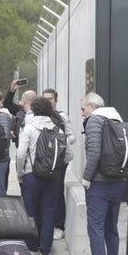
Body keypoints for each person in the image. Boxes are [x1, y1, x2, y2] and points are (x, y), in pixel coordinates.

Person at [79, 92, 127, 255]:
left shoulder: (95, 121)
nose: (82, 114)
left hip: (99, 183)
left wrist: (86, 178)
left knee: (95, 228)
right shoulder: (117, 119)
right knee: (111, 228)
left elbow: (94, 153)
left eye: (83, 109)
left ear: (92, 106)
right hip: (118, 181)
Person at [16, 96, 68, 255]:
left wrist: (20, 172)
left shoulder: (29, 128)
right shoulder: (58, 130)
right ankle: (46, 250)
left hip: (32, 175)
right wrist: (55, 166)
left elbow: (20, 154)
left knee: (30, 212)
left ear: (34, 110)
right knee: (48, 212)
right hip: (52, 177)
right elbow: (69, 154)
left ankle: (32, 248)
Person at [42, 88, 74, 240]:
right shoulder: (39, 116)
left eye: (50, 98)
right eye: (45, 99)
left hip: (59, 159)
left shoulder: (62, 116)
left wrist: (61, 143)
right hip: (43, 161)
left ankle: (59, 225)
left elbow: (71, 135)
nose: (48, 101)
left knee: (57, 191)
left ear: (55, 100)